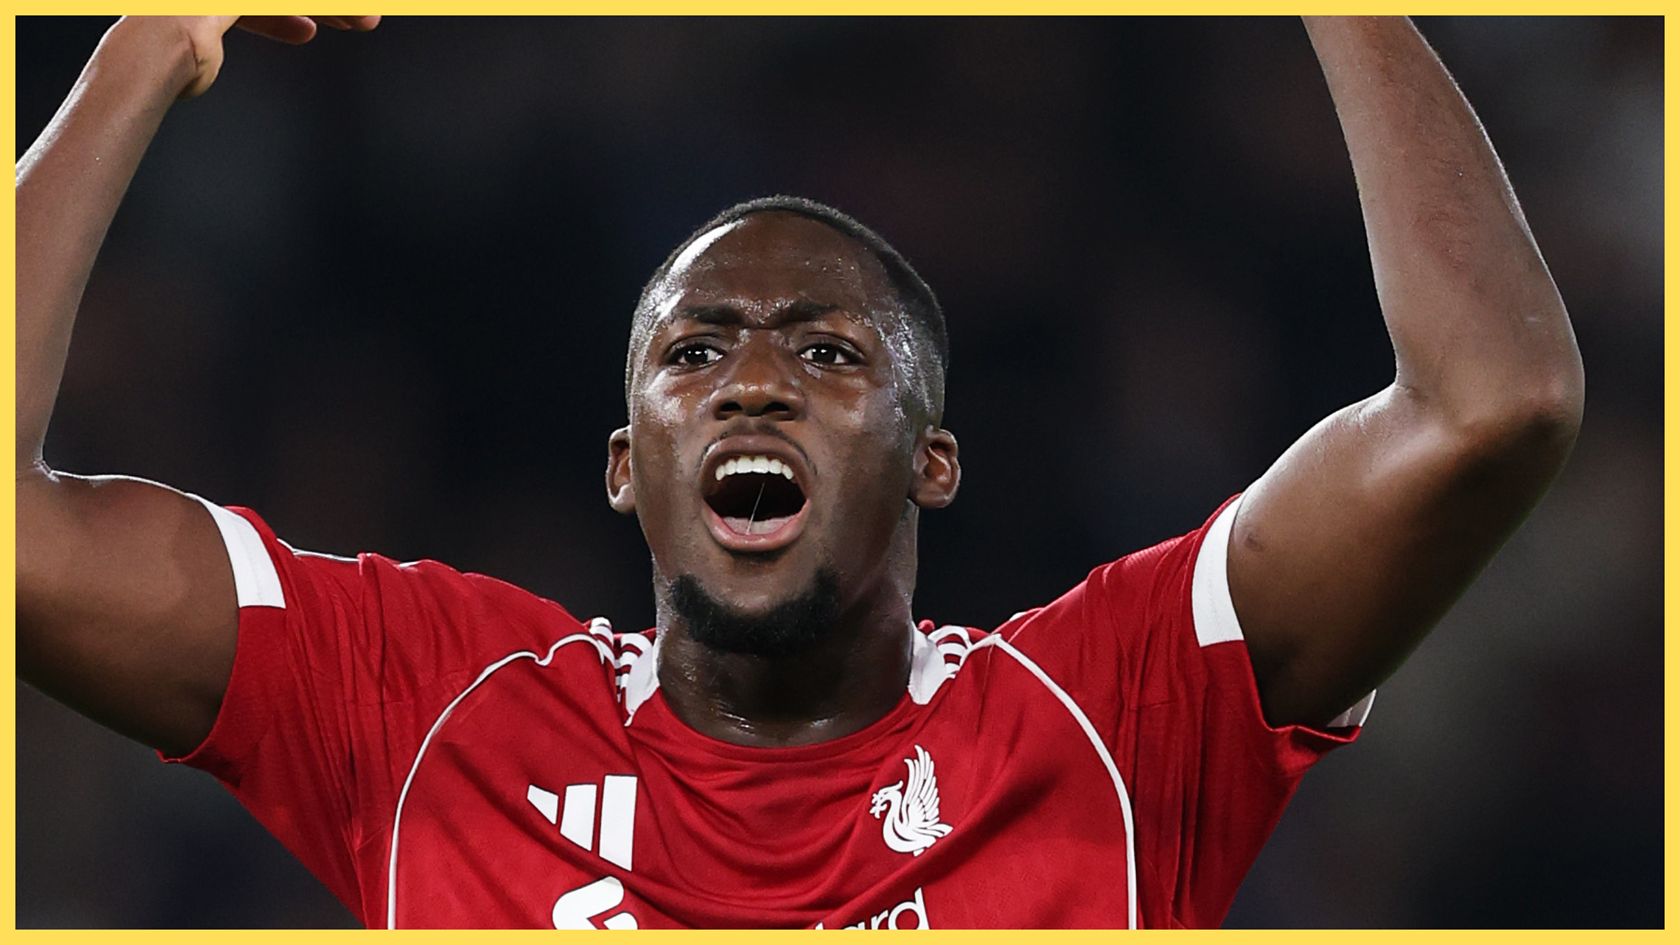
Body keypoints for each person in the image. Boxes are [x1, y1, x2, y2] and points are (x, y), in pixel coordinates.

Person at [16, 15, 1584, 930]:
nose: (752, 374)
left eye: (831, 354)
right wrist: (140, 53)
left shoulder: (1114, 712)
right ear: (630, 467)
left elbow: (1491, 401)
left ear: (936, 460)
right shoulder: (435, 710)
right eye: (694, 353)